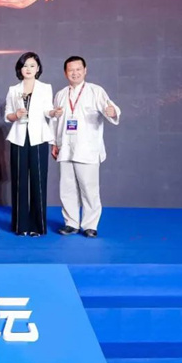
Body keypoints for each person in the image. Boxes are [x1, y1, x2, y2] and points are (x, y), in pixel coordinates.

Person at [51, 56, 121, 238]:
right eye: (70, 70)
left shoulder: (96, 91)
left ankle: (90, 225)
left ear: (85, 70)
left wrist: (112, 111)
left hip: (87, 148)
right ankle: (71, 223)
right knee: (67, 188)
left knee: (89, 189)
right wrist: (54, 142)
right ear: (65, 73)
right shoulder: (60, 94)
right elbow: (55, 121)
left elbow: (110, 109)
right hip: (65, 147)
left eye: (78, 69)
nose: (74, 73)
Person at [4, 52, 62, 237]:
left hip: (38, 137)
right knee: (19, 181)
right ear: (19, 69)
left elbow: (47, 110)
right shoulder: (13, 89)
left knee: (38, 180)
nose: (28, 69)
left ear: (38, 68)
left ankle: (38, 226)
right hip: (18, 138)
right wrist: (16, 115)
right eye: (25, 65)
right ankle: (20, 226)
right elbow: (7, 115)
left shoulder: (45, 88)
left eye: (32, 65)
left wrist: (53, 113)